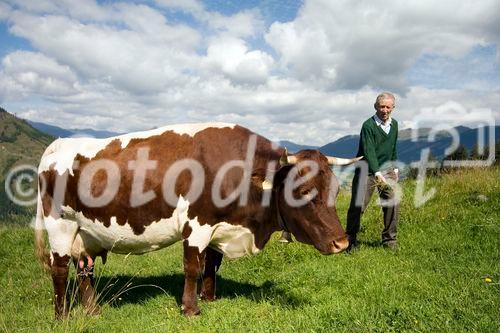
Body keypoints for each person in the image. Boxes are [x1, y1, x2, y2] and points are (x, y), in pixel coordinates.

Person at [346, 92, 400, 251]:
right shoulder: (368, 126)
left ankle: (390, 241)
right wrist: (377, 173)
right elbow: (369, 151)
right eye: (381, 106)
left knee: (392, 202)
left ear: (393, 108)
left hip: (386, 169)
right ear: (376, 107)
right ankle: (350, 241)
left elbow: (393, 147)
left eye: (388, 107)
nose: (385, 110)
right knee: (358, 206)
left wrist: (395, 168)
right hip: (367, 170)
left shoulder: (394, 124)